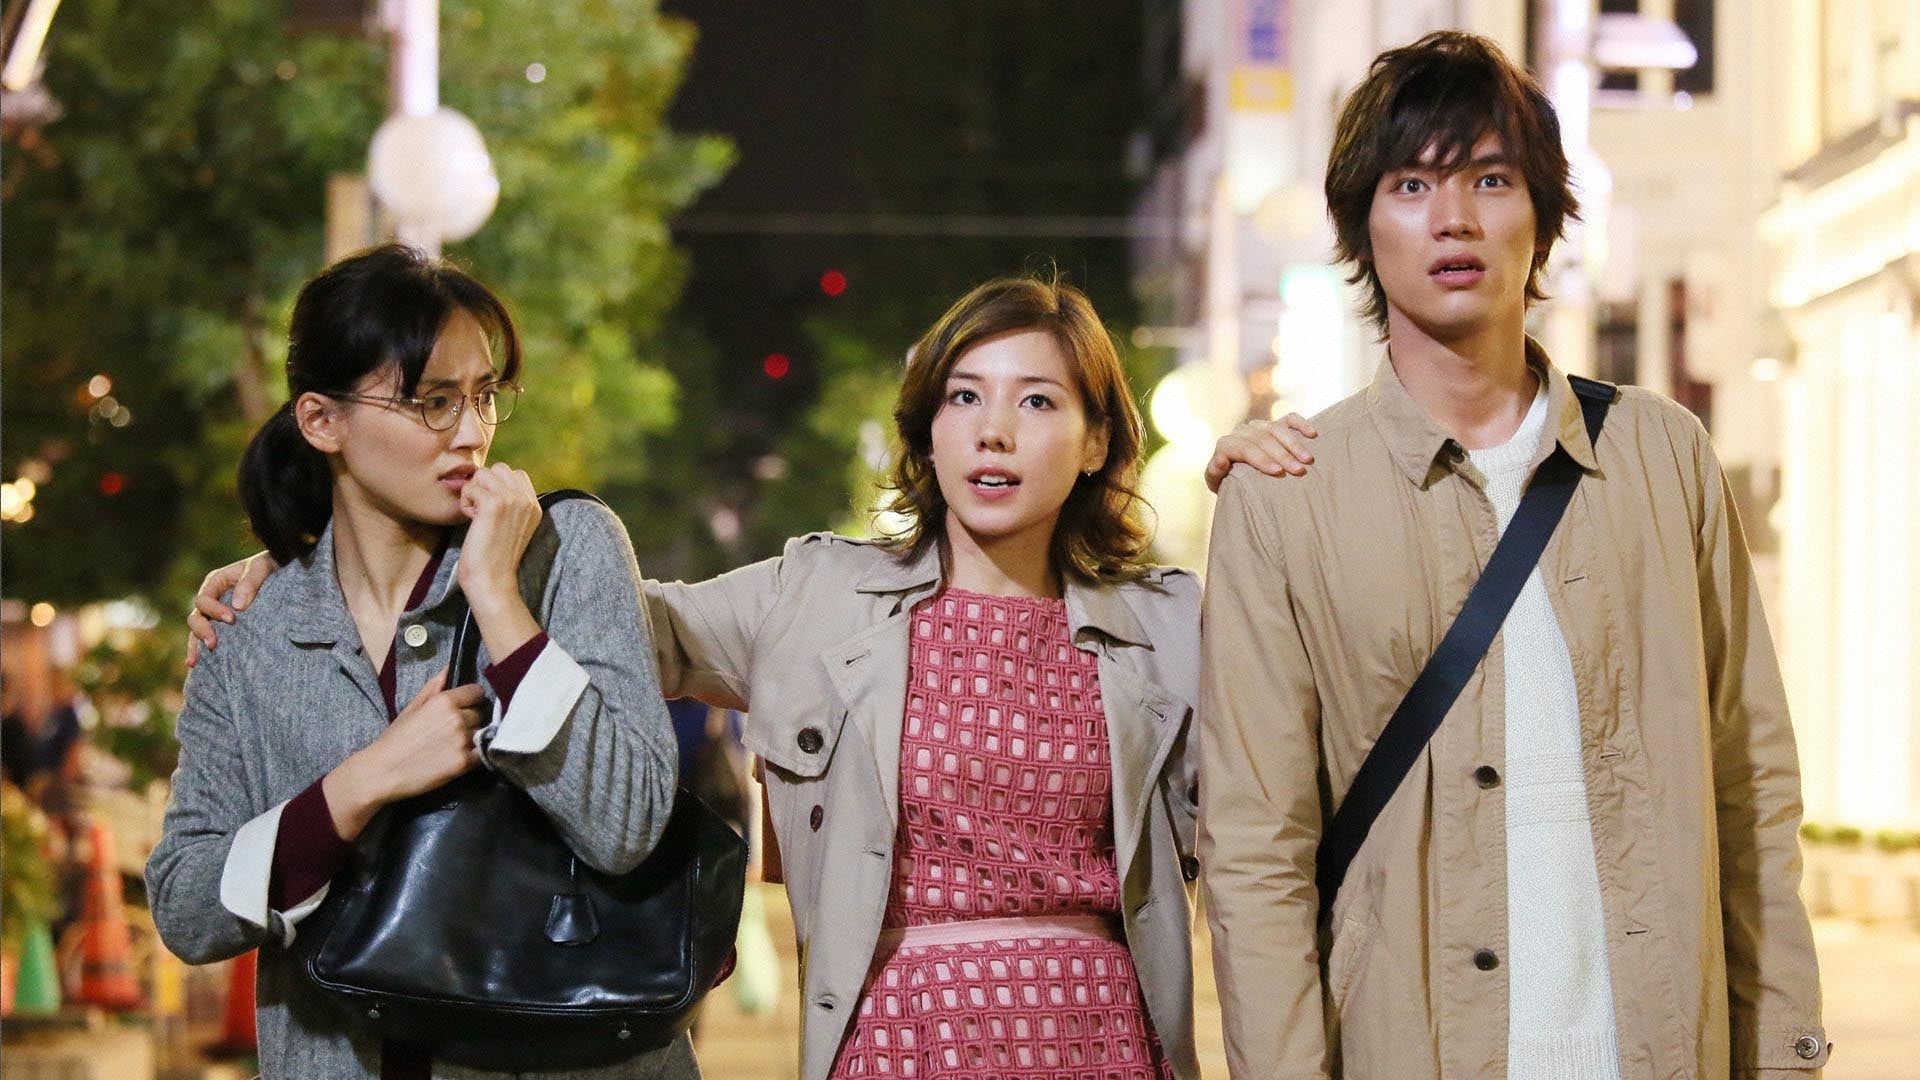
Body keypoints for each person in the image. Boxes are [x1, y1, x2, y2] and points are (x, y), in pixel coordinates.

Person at [191, 274, 1318, 1080]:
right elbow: (605, 623)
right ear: (926, 431)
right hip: (894, 1037)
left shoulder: (1174, 625)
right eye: (964, 397)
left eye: (1038, 401)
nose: (994, 433)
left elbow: (1296, 795)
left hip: (1100, 1038)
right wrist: (317, 564)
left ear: (1097, 440)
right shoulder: (813, 600)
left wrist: (1276, 503)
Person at [1197, 31, 1826, 1080]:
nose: (1454, 218)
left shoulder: (1662, 455)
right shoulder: (1287, 498)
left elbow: (1749, 785)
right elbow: (1256, 850)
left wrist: (1787, 1049)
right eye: (1411, 185)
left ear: (1542, 215)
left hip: (1655, 1046)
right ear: (1361, 226)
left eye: (1490, 179)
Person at [147, 244, 694, 1080]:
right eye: (433, 402)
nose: (472, 434)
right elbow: (187, 908)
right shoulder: (251, 630)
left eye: (484, 396)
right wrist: (359, 785)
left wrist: (498, 600)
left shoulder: (565, 551)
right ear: (322, 421)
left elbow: (625, 824)